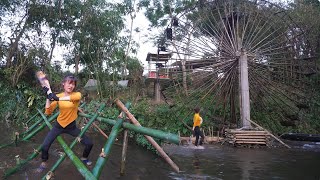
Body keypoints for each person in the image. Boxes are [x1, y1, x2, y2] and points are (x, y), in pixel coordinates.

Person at [37, 75, 93, 172]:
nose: (71, 86)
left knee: (89, 144)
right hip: (58, 126)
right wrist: (48, 97)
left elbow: (73, 98)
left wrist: (55, 98)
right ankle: (44, 161)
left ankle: (84, 158)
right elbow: (48, 112)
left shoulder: (77, 95)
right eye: (69, 83)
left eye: (73, 84)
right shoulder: (57, 96)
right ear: (63, 83)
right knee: (45, 146)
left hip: (72, 127)